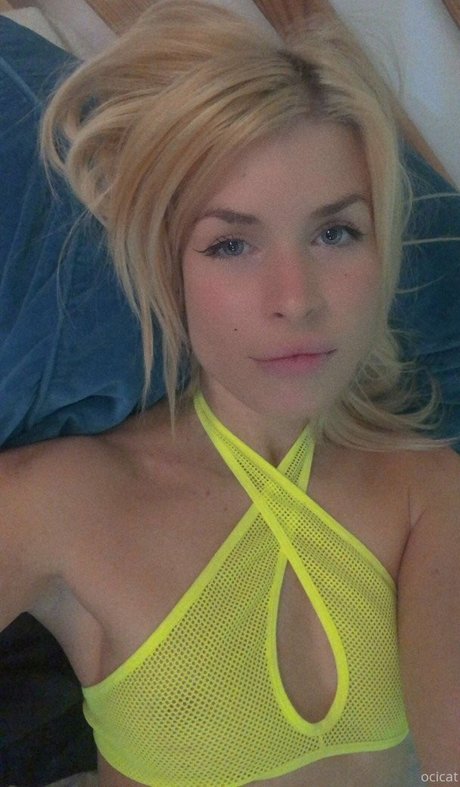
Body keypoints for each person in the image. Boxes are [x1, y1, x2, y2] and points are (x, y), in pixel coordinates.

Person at [1, 1, 459, 785]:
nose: (297, 298)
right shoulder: (63, 501)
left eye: (335, 233)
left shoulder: (425, 486)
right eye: (232, 243)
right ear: (166, 263)